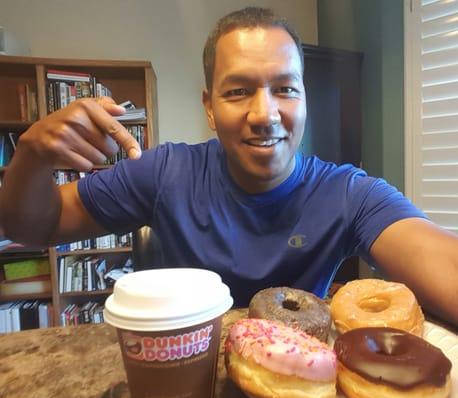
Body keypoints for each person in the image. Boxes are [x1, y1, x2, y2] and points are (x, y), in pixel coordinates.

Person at [0, 8, 457, 323]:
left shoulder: (349, 194)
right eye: (238, 91)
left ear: (304, 100)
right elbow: (37, 225)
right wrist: (32, 156)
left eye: (285, 89)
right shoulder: (165, 173)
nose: (265, 114)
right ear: (210, 108)